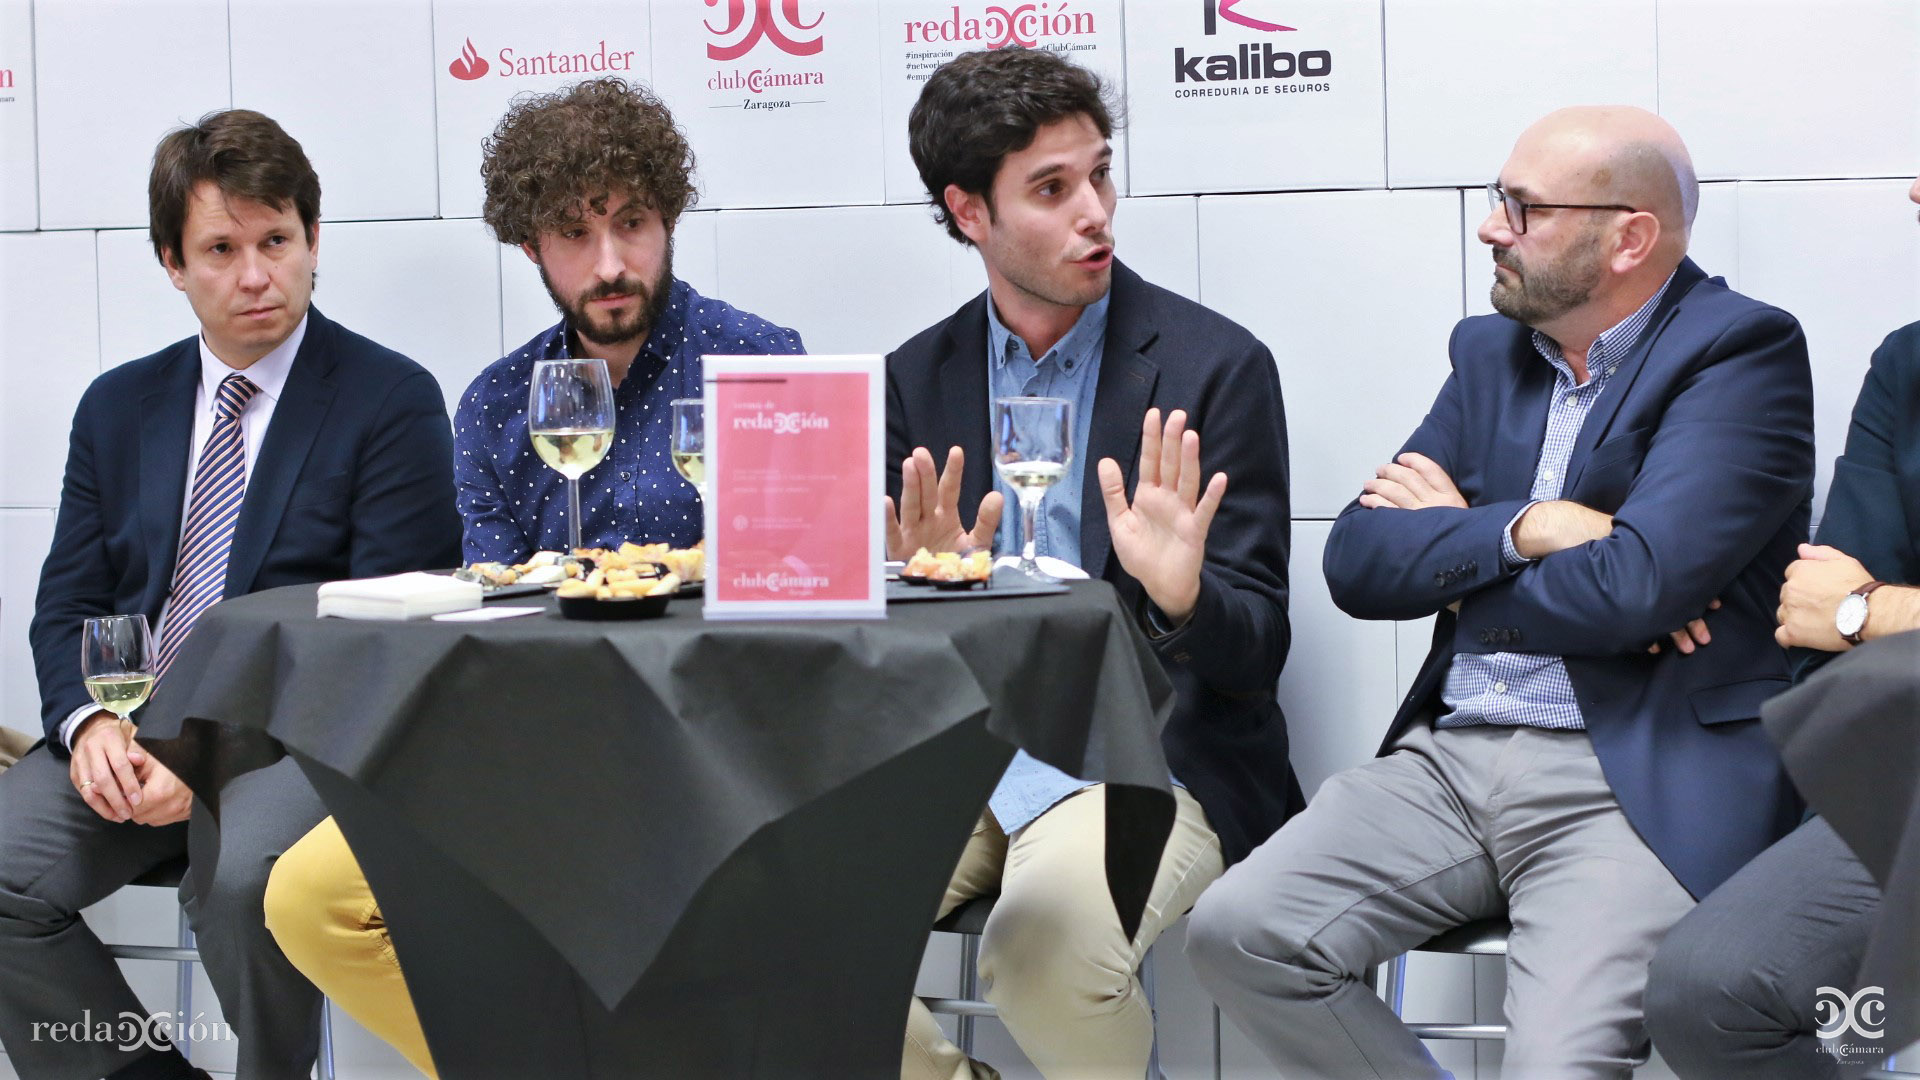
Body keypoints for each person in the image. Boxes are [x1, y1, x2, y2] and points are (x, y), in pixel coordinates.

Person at [1187, 105, 1815, 1077]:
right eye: (1498, 200)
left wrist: (1463, 562)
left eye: (1522, 208)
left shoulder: (1741, 354)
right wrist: (1532, 526)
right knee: (1240, 931)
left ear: (1629, 236)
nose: (1490, 227)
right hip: (1451, 758)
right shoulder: (1489, 355)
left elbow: (1635, 591)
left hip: (1628, 777)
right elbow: (1356, 560)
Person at [262, 77, 803, 1077]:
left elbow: (793, 613)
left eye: (633, 223)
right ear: (529, 248)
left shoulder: (758, 364)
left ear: (669, 217)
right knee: (308, 897)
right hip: (530, 757)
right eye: (572, 233)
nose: (610, 263)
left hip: (708, 767)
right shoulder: (500, 402)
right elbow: (491, 610)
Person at [0, 109, 461, 1080]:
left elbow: (382, 644)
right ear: (173, 261)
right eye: (221, 248)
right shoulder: (117, 407)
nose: (256, 275)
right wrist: (88, 726)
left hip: (295, 741)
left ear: (313, 241)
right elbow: (66, 606)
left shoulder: (391, 400)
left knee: (249, 880)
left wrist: (202, 750)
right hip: (130, 730)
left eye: (277, 242)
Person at [886, 46, 1299, 1080]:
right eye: (1053, 189)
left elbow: (1257, 651)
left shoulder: (1216, 367)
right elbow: (887, 648)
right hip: (967, 762)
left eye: (1101, 174)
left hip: (1145, 755)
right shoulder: (912, 380)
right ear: (969, 212)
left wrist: (1183, 597)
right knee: (779, 929)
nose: (1096, 213)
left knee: (1040, 954)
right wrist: (920, 596)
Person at [1643, 174, 1920, 1079]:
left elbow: (1848, 609)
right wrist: (1854, 617)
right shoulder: (1908, 366)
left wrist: (1876, 610)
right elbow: (1811, 618)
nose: (1915, 192)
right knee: (1710, 990)